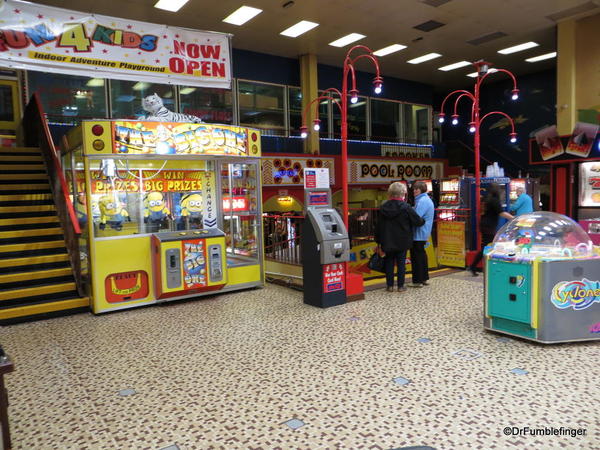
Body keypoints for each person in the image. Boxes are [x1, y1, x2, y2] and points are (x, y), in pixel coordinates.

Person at [375, 182, 425, 292]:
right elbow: (417, 221)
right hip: (402, 240)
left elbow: (378, 226)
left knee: (389, 262)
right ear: (403, 193)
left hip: (387, 240)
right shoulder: (406, 207)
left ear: (390, 193)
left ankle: (389, 286)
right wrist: (423, 220)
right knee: (401, 263)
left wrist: (378, 241)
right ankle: (401, 286)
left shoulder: (383, 207)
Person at [469, 183, 514, 276]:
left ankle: (476, 266)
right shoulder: (494, 201)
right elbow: (501, 213)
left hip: (484, 224)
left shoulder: (486, 199)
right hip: (489, 226)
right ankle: (474, 266)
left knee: (486, 246)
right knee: (488, 246)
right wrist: (513, 218)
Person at [410, 181, 435, 288]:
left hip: (418, 233)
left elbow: (416, 217)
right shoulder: (425, 199)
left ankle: (418, 280)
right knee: (421, 255)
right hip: (423, 232)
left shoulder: (422, 201)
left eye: (417, 189)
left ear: (422, 190)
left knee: (416, 257)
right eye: (414, 189)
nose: (414, 191)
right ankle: (424, 278)